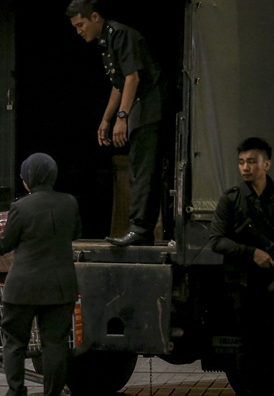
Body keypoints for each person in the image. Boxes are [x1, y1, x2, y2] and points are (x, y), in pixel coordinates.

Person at [0, 153, 82, 396]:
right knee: (54, 345)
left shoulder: (20, 207)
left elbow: (5, 244)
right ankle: (52, 393)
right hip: (60, 286)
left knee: (14, 343)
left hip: (23, 287)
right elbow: (75, 233)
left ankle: (16, 392)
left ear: (28, 180)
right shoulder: (69, 203)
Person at [66, 0, 166, 246]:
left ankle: (141, 230)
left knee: (143, 171)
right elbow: (119, 83)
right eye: (75, 27)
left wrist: (122, 117)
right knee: (138, 170)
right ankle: (140, 229)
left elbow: (133, 77)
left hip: (148, 106)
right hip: (139, 107)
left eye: (81, 24)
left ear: (95, 17)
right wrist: (106, 119)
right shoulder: (106, 42)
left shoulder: (120, 34)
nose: (79, 31)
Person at [210, 137, 274, 395]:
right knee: (249, 346)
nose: (245, 167)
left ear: (266, 164)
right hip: (244, 286)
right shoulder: (231, 200)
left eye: (251, 162)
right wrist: (251, 252)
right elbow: (217, 241)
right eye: (241, 162)